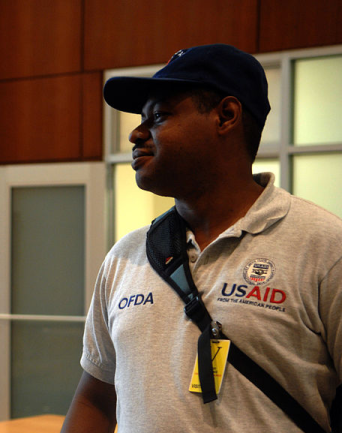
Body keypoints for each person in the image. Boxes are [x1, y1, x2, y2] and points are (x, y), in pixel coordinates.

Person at [61, 44, 342, 432]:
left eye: (158, 116)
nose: (136, 133)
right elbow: (95, 399)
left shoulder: (325, 248)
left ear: (226, 116)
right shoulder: (127, 257)